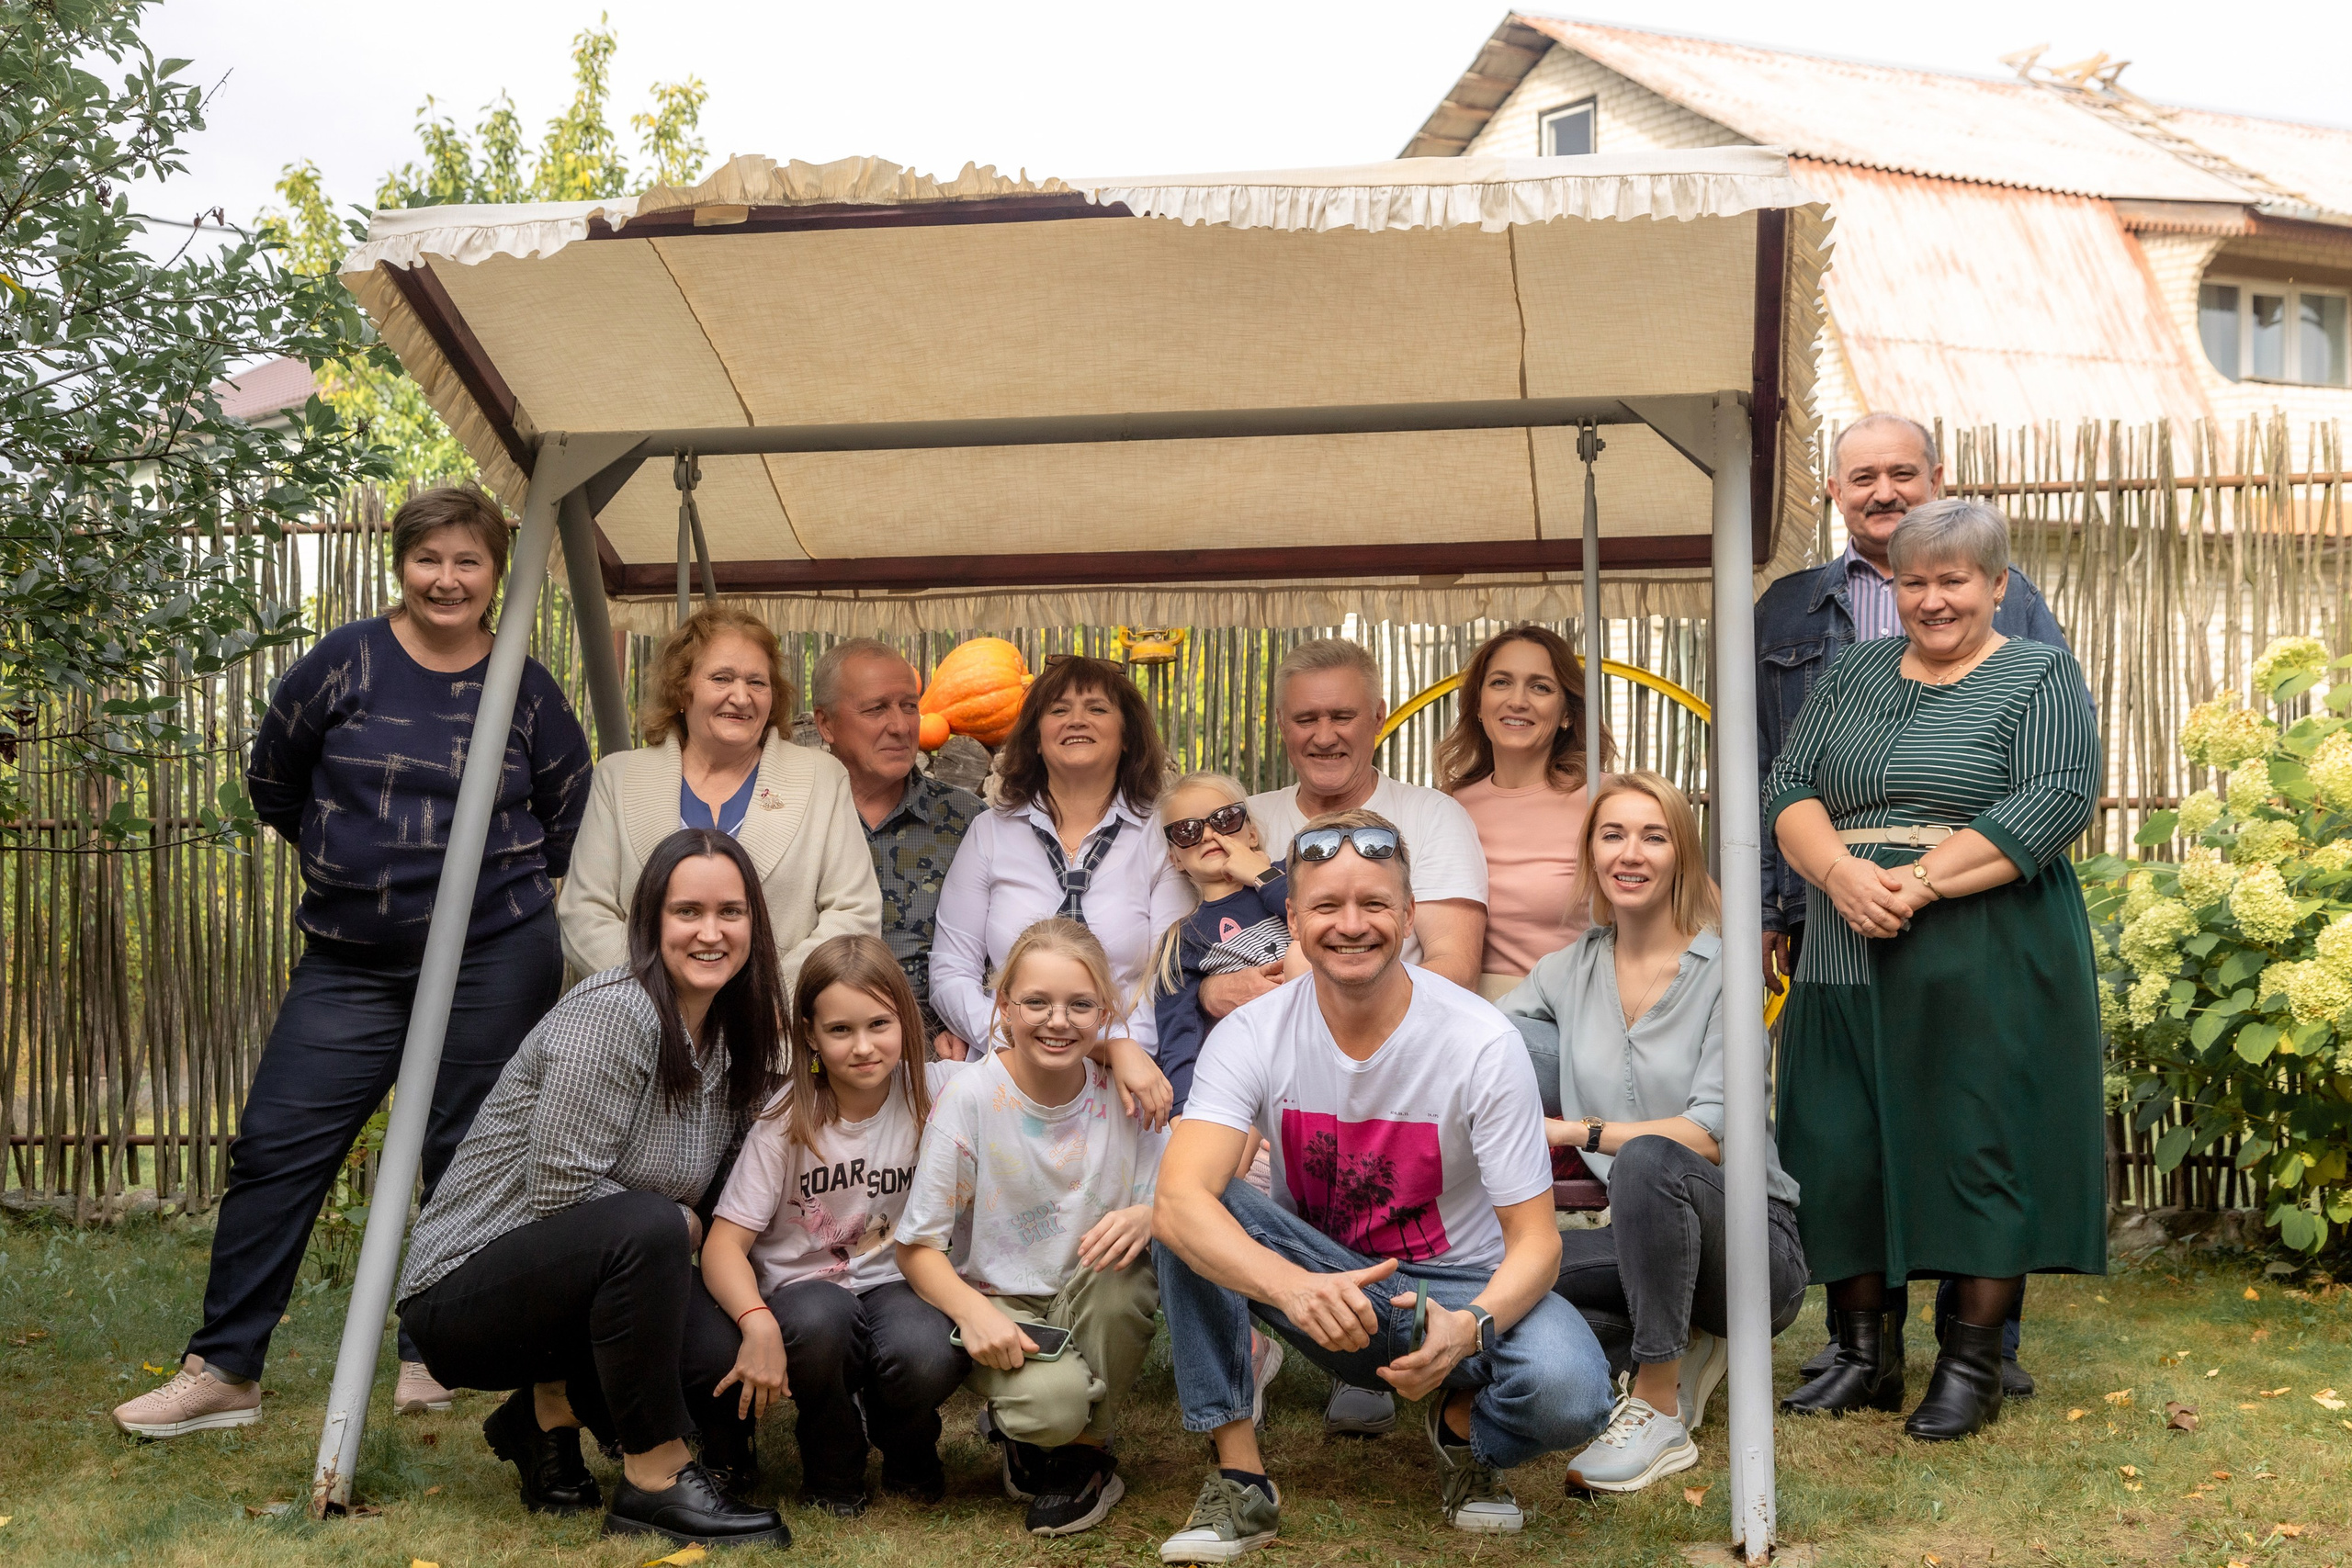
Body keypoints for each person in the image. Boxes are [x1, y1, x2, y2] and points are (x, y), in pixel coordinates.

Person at [111, 486, 592, 1439]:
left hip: (493, 955)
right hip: (348, 960)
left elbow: (569, 815)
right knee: (276, 1147)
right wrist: (363, 872)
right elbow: (274, 779)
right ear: (399, 564)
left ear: (497, 573)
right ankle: (224, 1370)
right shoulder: (345, 663)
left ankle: (433, 1352)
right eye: (429, 559)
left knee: (464, 1156)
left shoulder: (524, 686)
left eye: (468, 561)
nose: (447, 578)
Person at [1150, 810, 1613, 1562]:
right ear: (1293, 918)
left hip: (1454, 1292)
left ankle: (1464, 1430)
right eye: (1328, 907)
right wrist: (1292, 1287)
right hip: (1321, 1284)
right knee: (1186, 1208)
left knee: (1571, 1389)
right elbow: (1178, 1200)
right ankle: (1241, 1480)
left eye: (1373, 904)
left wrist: (1471, 1326)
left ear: (1406, 915)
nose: (1351, 924)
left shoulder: (1481, 1041)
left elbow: (1537, 1247)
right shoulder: (1254, 1031)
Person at [1765, 499, 2104, 1441]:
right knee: (1839, 1141)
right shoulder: (1855, 670)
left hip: (1983, 941)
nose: (1933, 599)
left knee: (1976, 1138)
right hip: (1842, 931)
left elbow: (2054, 799)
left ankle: (1970, 1364)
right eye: (1914, 580)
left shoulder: (2038, 674)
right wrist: (1838, 874)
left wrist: (1908, 885)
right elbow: (1788, 785)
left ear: (1997, 586)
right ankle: (1865, 1355)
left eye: (1954, 579)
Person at [396, 829, 789, 1547]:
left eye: (730, 912)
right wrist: (679, 1224)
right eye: (687, 912)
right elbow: (559, 1189)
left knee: (709, 1360)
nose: (711, 931)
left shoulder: (732, 1032)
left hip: (580, 1273)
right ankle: (655, 1479)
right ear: (650, 922)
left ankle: (544, 1416)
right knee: (650, 1227)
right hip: (463, 1292)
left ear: (754, 925)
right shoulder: (617, 1013)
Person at [1498, 772, 1807, 1493]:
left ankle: (1659, 1405)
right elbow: (1482, 1042)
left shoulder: (1726, 970)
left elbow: (1710, 1134)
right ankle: (1661, 1347)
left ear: (1682, 855)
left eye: (1653, 835)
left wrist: (1576, 1129)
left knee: (1646, 1159)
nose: (1630, 852)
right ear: (1593, 854)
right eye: (1612, 834)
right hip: (1644, 1241)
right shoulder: (1566, 969)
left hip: (1752, 1251)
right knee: (1522, 1278)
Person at [1232, 638, 1490, 1436]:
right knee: (1215, 1178)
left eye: (1342, 714)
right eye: (1306, 717)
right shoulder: (1249, 823)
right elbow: (1211, 953)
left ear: (1377, 717)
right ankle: (1254, 1352)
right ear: (1282, 726)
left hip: (1399, 1065)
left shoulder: (1430, 816)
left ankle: (1368, 1348)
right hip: (1271, 1064)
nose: (1324, 733)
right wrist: (1232, 990)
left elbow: (1450, 961)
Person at [896, 918, 1165, 1539]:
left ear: (1107, 1010)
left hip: (1095, 1294)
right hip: (1005, 1302)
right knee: (1051, 1407)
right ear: (1004, 1005)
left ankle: (1084, 1458)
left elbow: (1193, 1178)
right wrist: (974, 1312)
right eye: (1036, 1001)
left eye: (1079, 1004)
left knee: (1129, 1272)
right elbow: (917, 1247)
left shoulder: (1124, 1093)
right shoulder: (972, 1097)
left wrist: (1152, 1213)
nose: (1057, 1020)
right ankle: (1040, 1433)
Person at [694, 934, 970, 1516]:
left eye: (880, 1024)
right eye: (841, 1030)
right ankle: (832, 1468)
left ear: (907, 1019)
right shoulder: (785, 1120)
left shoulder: (940, 1092)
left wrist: (1117, 1052)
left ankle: (908, 1450)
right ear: (811, 1035)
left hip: (900, 1282)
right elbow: (723, 1247)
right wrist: (755, 1322)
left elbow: (1028, 1061)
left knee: (925, 1352)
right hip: (806, 1293)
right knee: (822, 1326)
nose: (864, 1047)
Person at [559, 606, 879, 997]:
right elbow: (584, 913)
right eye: (721, 678)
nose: (741, 697)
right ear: (681, 689)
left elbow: (855, 912)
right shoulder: (619, 777)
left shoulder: (822, 779)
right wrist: (661, 995)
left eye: (757, 683)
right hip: (643, 1025)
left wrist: (769, 999)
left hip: (775, 1028)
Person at [929, 654, 1189, 1067]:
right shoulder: (990, 833)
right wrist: (1008, 1037)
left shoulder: (1160, 837)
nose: (1077, 720)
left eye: (1097, 709)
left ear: (1126, 736)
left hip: (1124, 1076)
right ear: (1035, 737)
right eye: (1059, 710)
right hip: (1009, 1068)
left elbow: (1171, 977)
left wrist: (1118, 1050)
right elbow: (950, 970)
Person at [809, 638, 984, 1056]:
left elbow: (999, 944)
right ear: (826, 723)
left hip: (936, 1055)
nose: (901, 726)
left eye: (909, 706)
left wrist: (969, 1024)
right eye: (876, 709)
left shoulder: (968, 819)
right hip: (815, 1052)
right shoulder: (795, 816)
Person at [1439, 625, 1616, 998]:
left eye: (1540, 687)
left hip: (1571, 1015)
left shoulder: (1605, 798)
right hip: (1465, 1010)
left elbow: (1691, 905)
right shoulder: (1448, 805)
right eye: (1501, 682)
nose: (1518, 701)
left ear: (1567, 713)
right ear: (1478, 705)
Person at [1148, 773, 1306, 1115]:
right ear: (1175, 858)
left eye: (1225, 819)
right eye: (1186, 831)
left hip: (1326, 1044)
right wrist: (1184, 1113)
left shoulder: (1292, 876)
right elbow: (1179, 1036)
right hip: (1253, 1078)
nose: (1208, 834)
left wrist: (1261, 876)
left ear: (1251, 833)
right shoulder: (1181, 939)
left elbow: (1322, 924)